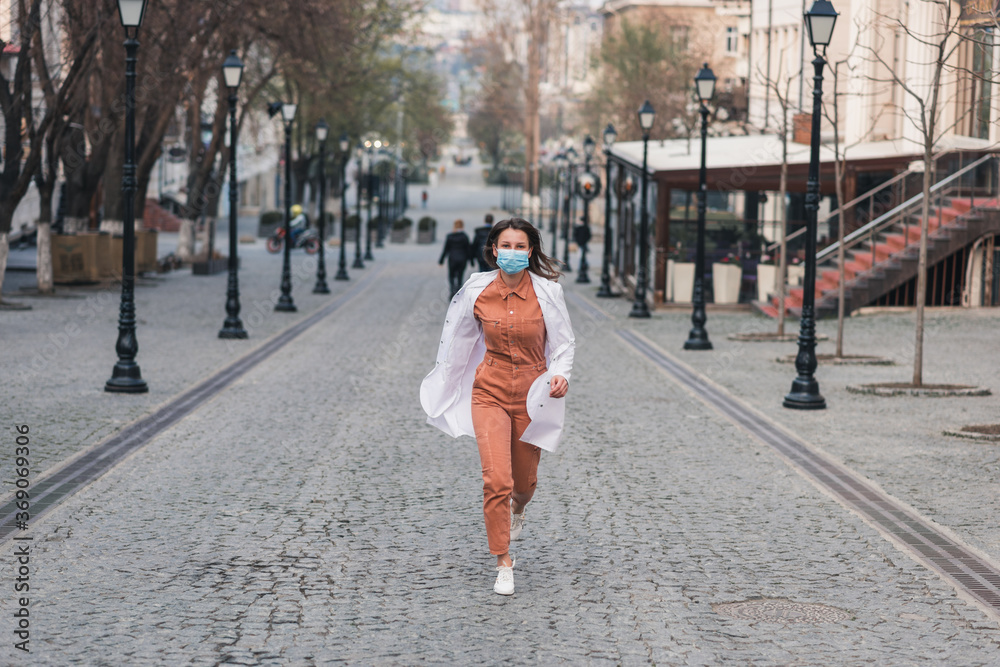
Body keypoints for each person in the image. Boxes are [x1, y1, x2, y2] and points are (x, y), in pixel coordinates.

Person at [420, 218, 575, 596]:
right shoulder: (477, 290)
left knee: (523, 484)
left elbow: (564, 343)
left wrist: (560, 374)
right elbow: (456, 341)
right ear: (494, 250)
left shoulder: (548, 293)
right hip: (487, 391)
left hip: (532, 394)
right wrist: (445, 382)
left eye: (520, 246)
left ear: (530, 251)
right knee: (497, 480)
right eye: (506, 245)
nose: (513, 252)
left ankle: (518, 509)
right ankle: (503, 561)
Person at [439, 219, 472, 298]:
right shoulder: (464, 236)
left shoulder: (450, 236)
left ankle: (452, 291)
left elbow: (446, 249)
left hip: (452, 259)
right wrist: (471, 260)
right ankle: (458, 292)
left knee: (451, 275)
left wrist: (441, 260)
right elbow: (468, 249)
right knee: (460, 276)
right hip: (462, 259)